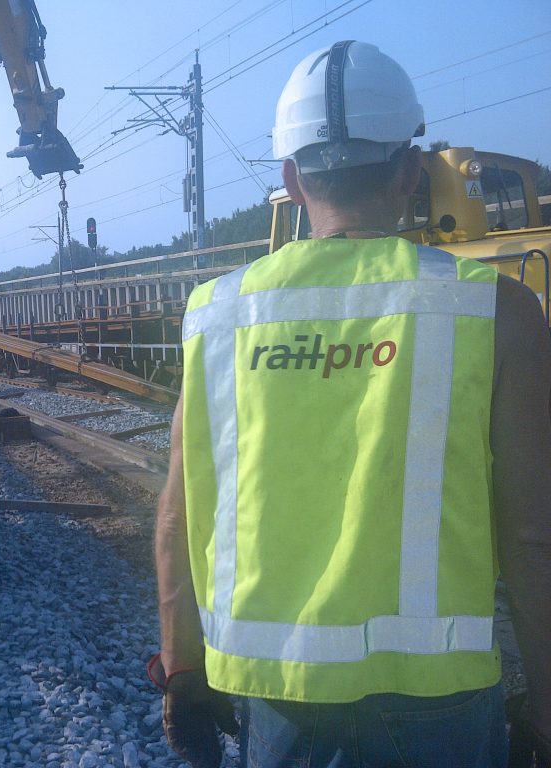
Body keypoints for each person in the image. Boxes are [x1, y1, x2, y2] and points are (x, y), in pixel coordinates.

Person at [152, 40, 551, 767]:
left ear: (292, 180)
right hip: (442, 705)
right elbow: (533, 534)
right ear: (410, 172)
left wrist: (181, 668)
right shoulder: (498, 312)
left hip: (279, 702)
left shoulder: (216, 315)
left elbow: (180, 510)